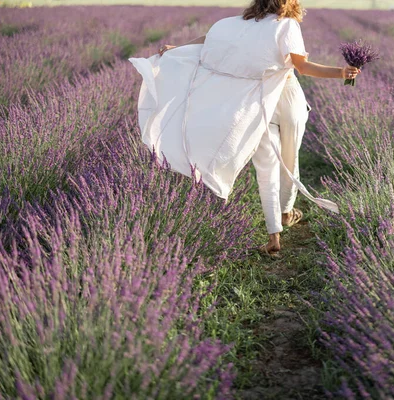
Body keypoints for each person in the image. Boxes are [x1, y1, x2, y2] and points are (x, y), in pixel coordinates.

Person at [129, 0, 360, 257]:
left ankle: (274, 237)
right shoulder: (287, 26)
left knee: (266, 168)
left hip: (259, 103)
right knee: (290, 157)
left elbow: (209, 38)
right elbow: (302, 67)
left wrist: (177, 49)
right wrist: (341, 72)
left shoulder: (232, 24)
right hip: (289, 100)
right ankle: (286, 212)